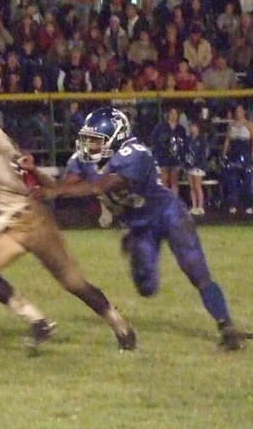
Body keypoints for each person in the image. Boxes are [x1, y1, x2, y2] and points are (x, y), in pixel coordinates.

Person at [0, 99, 137, 351]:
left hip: (23, 220)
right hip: (24, 217)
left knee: (66, 281)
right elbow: (15, 157)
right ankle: (51, 324)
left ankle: (100, 326)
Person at [34, 107, 252, 351]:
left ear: (115, 138)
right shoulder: (83, 160)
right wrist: (35, 171)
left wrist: (55, 191)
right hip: (138, 224)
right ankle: (132, 245)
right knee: (146, 288)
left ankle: (226, 327)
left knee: (196, 270)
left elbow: (102, 186)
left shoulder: (134, 153)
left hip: (166, 212)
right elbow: (64, 185)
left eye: (95, 140)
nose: (88, 145)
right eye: (87, 139)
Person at [183, 118, 210, 216]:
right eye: (190, 126)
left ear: (197, 128)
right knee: (192, 187)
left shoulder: (202, 139)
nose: (191, 128)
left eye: (193, 126)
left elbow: (204, 153)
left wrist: (200, 163)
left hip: (199, 165)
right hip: (190, 165)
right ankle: (194, 206)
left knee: (198, 186)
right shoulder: (188, 139)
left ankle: (200, 206)